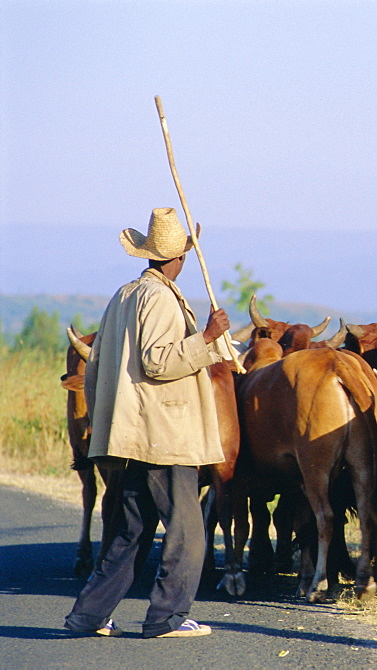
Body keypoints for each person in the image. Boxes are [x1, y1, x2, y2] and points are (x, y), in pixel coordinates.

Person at [64, 208, 229, 639]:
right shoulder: (158, 297)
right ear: (180, 258)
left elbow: (102, 365)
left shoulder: (124, 294)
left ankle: (89, 615)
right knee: (188, 531)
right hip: (164, 433)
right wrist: (207, 339)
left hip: (133, 432)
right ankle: (166, 618)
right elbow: (159, 361)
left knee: (132, 529)